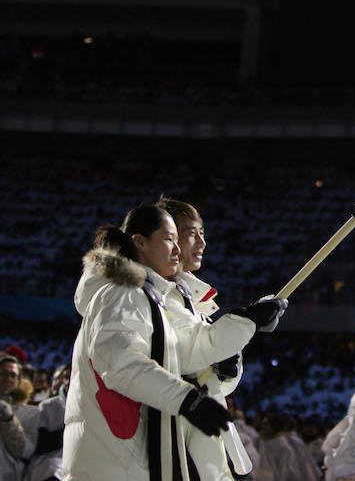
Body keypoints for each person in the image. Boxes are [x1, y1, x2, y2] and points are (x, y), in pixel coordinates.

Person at [62, 204, 282, 481]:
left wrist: (241, 334)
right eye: (172, 238)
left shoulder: (149, 294)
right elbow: (120, 362)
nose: (180, 247)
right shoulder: (124, 291)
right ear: (140, 242)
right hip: (121, 457)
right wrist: (188, 400)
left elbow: (187, 353)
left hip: (141, 457)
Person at [157, 197, 288, 481]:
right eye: (192, 233)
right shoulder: (154, 295)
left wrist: (228, 368)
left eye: (202, 233)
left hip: (196, 436)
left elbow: (210, 371)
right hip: (171, 439)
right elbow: (192, 352)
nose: (202, 243)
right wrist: (248, 320)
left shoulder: (188, 296)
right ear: (166, 237)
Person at [1, 355, 40, 481]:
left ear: (18, 381)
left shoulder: (29, 413)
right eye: (3, 373)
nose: (8, 378)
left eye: (13, 375)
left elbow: (25, 451)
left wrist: (9, 420)